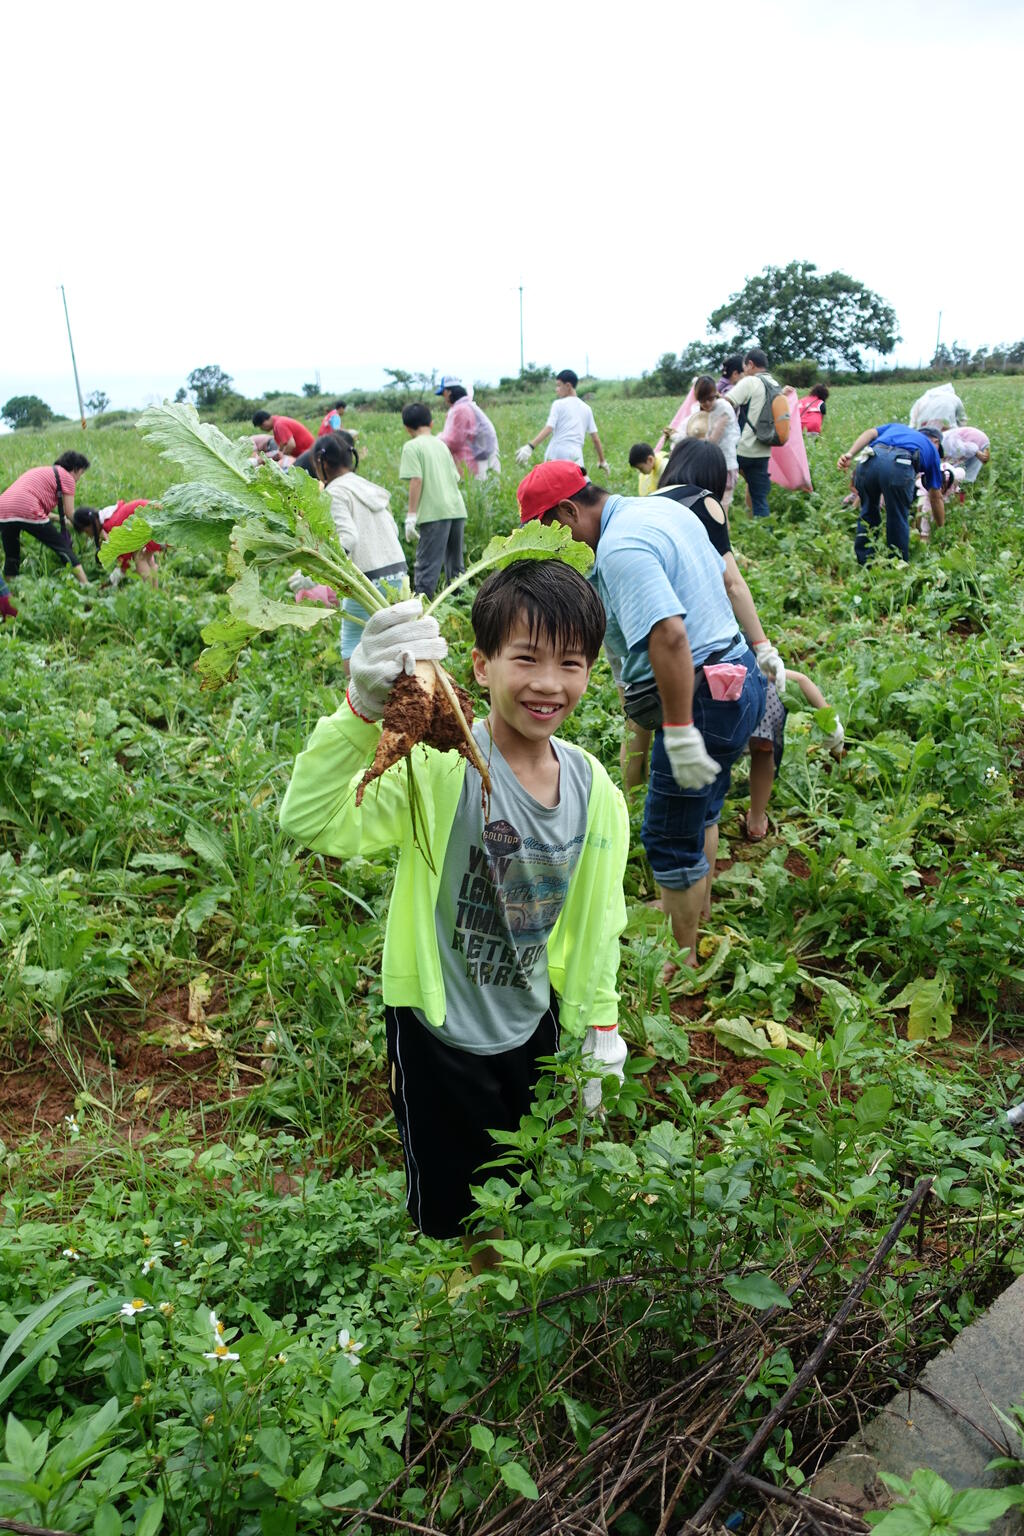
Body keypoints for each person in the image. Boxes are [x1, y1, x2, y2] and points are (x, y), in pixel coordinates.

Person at [278, 561, 629, 1266]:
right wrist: (360, 713)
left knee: (523, 1183)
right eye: (525, 659)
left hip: (535, 1022)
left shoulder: (597, 792)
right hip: (438, 1034)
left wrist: (600, 1026)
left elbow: (599, 926)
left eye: (571, 663)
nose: (548, 684)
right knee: (451, 1208)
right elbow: (311, 818)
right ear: (481, 663)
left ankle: (504, 1298)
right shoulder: (437, 768)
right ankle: (458, 1298)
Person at [516, 461, 768, 972]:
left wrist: (677, 731)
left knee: (668, 835)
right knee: (705, 812)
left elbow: (670, 635)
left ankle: (683, 960)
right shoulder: (660, 509)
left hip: (698, 696)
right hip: (737, 676)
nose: (552, 549)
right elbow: (721, 580)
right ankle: (695, 908)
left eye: (550, 532)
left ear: (568, 510)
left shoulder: (619, 548)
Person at [310, 433, 406, 665]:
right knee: (391, 642)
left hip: (368, 580)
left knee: (352, 645)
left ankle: (355, 700)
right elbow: (392, 529)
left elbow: (348, 538)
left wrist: (318, 571)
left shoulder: (336, 492)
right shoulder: (368, 487)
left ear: (322, 463)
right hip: (398, 575)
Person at [742, 669, 845, 841]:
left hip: (707, 698)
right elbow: (799, 679)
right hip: (754, 700)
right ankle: (757, 822)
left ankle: (704, 810)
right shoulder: (750, 657)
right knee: (763, 746)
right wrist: (828, 714)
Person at [837, 422, 945, 563]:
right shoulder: (931, 449)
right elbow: (936, 497)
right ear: (936, 441)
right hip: (899, 465)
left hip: (868, 459)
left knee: (868, 511)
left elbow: (870, 432)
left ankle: (864, 563)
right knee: (897, 517)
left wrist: (850, 454)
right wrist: (941, 527)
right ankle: (896, 566)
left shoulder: (897, 427)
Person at [399, 402, 467, 598]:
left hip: (433, 513)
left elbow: (416, 479)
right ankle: (460, 607)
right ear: (431, 422)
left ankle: (422, 611)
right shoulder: (441, 444)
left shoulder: (412, 447)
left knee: (428, 566)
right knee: (456, 567)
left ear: (407, 427)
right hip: (456, 509)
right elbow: (456, 477)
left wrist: (411, 516)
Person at [0, 451, 90, 587]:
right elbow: (70, 512)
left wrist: (57, 519)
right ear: (75, 468)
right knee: (62, 548)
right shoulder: (67, 477)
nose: (79, 478)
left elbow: (22, 503)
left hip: (3, 509)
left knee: (12, 556)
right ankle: (87, 585)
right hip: (26, 507)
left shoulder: (43, 471)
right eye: (81, 473)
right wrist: (88, 529)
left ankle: (11, 596)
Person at [725, 349, 783, 519]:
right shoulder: (775, 385)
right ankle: (763, 534)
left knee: (719, 488)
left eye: (744, 367)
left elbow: (726, 404)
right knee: (760, 500)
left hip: (742, 449)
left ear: (750, 364)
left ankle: (722, 525)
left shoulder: (749, 382)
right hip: (763, 449)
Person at [515, 370, 609, 473]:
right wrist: (602, 461)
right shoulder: (587, 409)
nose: (557, 389)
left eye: (559, 386)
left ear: (568, 386)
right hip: (576, 456)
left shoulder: (558, 404)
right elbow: (595, 439)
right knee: (579, 487)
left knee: (552, 486)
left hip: (556, 453)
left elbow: (549, 428)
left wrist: (530, 446)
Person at [73, 501, 162, 587]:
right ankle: (155, 594)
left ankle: (150, 595)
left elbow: (125, 553)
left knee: (140, 558)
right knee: (148, 559)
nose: (88, 536)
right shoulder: (107, 515)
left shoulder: (110, 526)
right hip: (153, 514)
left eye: (85, 531)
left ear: (90, 525)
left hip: (151, 520)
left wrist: (120, 571)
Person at [436, 377, 501, 480]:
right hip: (482, 457)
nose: (444, 399)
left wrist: (437, 439)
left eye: (443, 394)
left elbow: (454, 441)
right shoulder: (466, 405)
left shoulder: (460, 410)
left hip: (474, 462)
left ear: (448, 392)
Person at [692, 375, 741, 512]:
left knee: (721, 509)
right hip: (707, 466)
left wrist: (694, 442)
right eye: (702, 400)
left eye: (710, 398)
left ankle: (723, 533)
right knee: (710, 508)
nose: (707, 403)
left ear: (715, 395)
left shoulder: (723, 408)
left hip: (725, 465)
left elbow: (713, 441)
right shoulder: (696, 410)